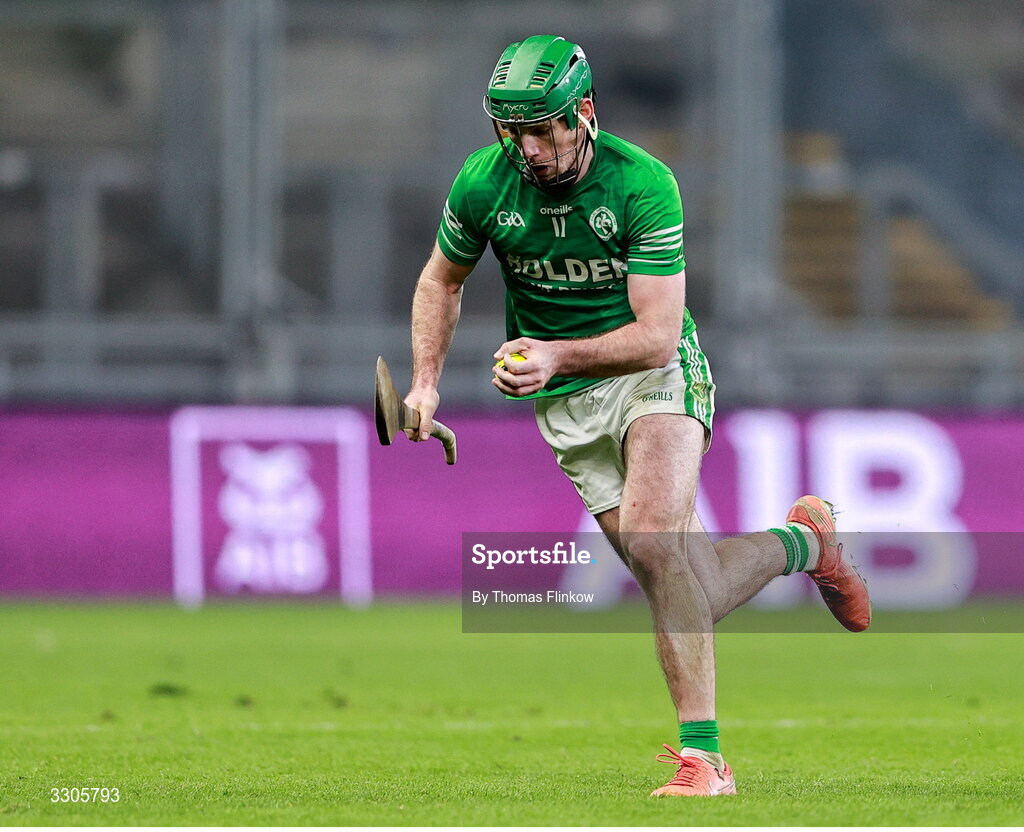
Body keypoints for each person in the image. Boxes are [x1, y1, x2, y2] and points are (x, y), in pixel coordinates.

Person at [404, 34, 871, 797]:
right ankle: (806, 543)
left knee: (656, 541)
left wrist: (553, 354)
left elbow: (655, 337)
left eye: (540, 128)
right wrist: (426, 383)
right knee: (691, 582)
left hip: (653, 375)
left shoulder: (643, 183)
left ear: (582, 112)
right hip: (568, 405)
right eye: (509, 130)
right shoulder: (483, 184)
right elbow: (440, 282)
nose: (525, 148)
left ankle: (704, 760)